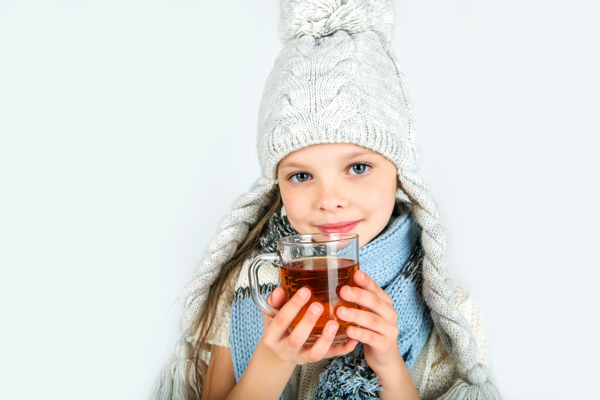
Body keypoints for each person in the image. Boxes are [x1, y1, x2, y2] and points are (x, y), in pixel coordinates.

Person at [153, 1, 501, 399]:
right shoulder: (249, 288)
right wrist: (273, 358)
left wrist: (389, 363)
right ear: (276, 186)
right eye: (301, 176)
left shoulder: (450, 314)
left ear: (401, 173)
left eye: (357, 168)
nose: (330, 200)